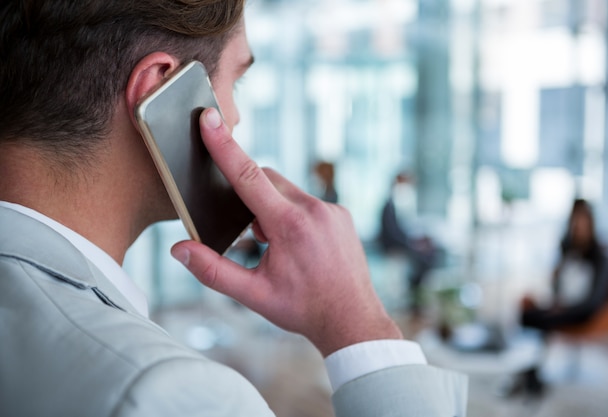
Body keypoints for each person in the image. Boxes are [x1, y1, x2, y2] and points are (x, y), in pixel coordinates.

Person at [0, 1, 467, 416]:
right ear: (159, 90)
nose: (236, 117)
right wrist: (360, 325)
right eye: (235, 83)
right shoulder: (174, 394)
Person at [510, 198, 608, 395]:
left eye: (582, 222)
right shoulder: (568, 250)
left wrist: (565, 308)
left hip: (585, 312)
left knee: (545, 318)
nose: (578, 227)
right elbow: (558, 289)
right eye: (575, 222)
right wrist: (557, 278)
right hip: (562, 305)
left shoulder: (602, 257)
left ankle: (534, 372)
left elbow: (594, 301)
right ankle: (533, 369)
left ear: (591, 223)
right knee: (527, 314)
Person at [378, 171, 440, 309]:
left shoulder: (394, 204)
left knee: (428, 254)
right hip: (393, 248)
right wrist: (410, 244)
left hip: (400, 244)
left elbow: (399, 230)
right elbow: (392, 233)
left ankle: (417, 299)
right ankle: (416, 301)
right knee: (424, 258)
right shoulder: (388, 205)